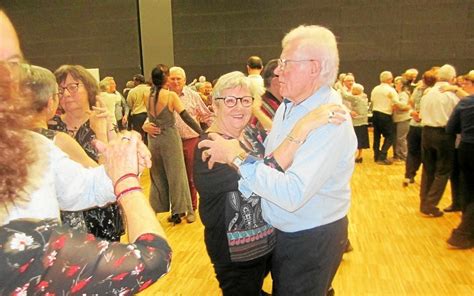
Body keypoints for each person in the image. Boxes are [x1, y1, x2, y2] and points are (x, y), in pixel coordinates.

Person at [0, 11, 172, 293]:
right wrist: (127, 184)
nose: (7, 78)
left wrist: (122, 161)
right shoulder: (49, 135)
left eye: (14, 63)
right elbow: (151, 258)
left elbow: (85, 186)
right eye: (62, 88)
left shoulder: (32, 144)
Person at [198, 25, 357, 296]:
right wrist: (298, 130)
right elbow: (272, 162)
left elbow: (292, 192)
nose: (278, 70)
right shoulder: (291, 106)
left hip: (309, 237)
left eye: (286, 62)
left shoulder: (329, 120)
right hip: (280, 237)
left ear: (314, 68)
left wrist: (236, 157)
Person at [50, 64, 124, 240]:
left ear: (89, 88)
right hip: (62, 216)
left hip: (100, 213)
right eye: (60, 90)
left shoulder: (104, 121)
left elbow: (113, 173)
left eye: (73, 87)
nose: (66, 94)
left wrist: (100, 134)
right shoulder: (49, 125)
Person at [146, 64, 202, 224]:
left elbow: (149, 119)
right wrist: (202, 132)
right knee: (178, 176)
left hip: (154, 140)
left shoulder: (147, 95)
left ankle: (158, 210)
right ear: (165, 79)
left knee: (158, 177)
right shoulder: (170, 97)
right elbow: (187, 117)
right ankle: (185, 210)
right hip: (170, 138)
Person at [419, 64, 459, 217]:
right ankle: (431, 205)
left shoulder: (428, 93)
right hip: (444, 134)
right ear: (452, 78)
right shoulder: (451, 95)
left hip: (427, 132)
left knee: (428, 169)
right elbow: (457, 116)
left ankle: (424, 202)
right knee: (443, 171)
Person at [445, 70, 474, 249]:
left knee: (468, 188)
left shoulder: (465, 103)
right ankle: (462, 234)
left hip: (466, 148)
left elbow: (451, 127)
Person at [403, 69, 437, 186]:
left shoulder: (417, 89)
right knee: (426, 154)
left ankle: (408, 176)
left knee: (412, 152)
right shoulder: (434, 92)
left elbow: (410, 104)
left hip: (414, 125)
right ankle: (427, 180)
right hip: (426, 126)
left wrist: (413, 113)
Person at [371, 71, 399, 165]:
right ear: (389, 80)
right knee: (391, 136)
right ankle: (382, 156)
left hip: (375, 114)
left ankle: (376, 155)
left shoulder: (375, 89)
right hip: (385, 114)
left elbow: (372, 100)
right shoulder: (391, 90)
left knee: (377, 136)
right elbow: (396, 103)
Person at [127, 74, 150, 143]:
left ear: (137, 81)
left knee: (138, 136)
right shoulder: (150, 89)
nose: (133, 83)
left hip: (137, 115)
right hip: (149, 115)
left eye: (134, 81)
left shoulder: (132, 91)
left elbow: (129, 103)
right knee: (149, 135)